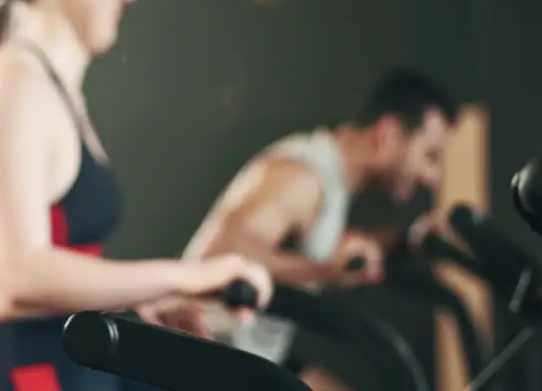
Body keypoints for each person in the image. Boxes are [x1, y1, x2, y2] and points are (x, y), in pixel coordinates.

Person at [0, 0, 274, 391]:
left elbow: (66, 265)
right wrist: (183, 276)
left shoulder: (51, 89)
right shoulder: (12, 83)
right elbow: (24, 275)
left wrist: (145, 302)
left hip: (75, 362)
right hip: (30, 370)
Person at [182, 69, 459, 390]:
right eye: (430, 156)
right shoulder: (304, 177)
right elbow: (215, 257)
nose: (433, 177)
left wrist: (406, 240)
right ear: (388, 133)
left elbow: (307, 248)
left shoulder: (333, 184)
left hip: (256, 357)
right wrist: (325, 271)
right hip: (208, 358)